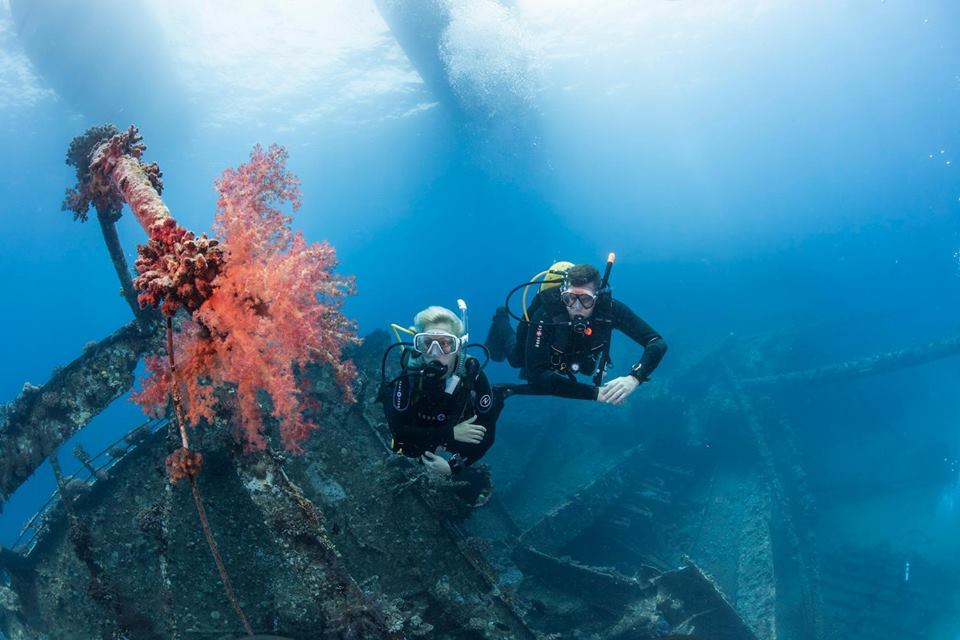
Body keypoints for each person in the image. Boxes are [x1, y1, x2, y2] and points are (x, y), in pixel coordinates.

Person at [485, 262, 667, 404]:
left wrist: (635, 378)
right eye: (570, 298)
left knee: (586, 368)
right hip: (545, 340)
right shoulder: (546, 314)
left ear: (597, 297)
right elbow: (536, 375)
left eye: (586, 299)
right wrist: (594, 393)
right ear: (562, 294)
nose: (577, 307)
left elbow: (656, 342)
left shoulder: (610, 310)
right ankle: (501, 320)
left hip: (573, 352)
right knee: (516, 359)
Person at [383, 306, 501, 491]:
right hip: (427, 439)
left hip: (453, 443)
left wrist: (453, 467)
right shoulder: (410, 376)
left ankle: (502, 393)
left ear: (458, 347)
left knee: (496, 402)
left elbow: (487, 437)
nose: (435, 352)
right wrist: (449, 433)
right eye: (427, 343)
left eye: (445, 343)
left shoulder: (473, 376)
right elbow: (398, 431)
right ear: (419, 346)